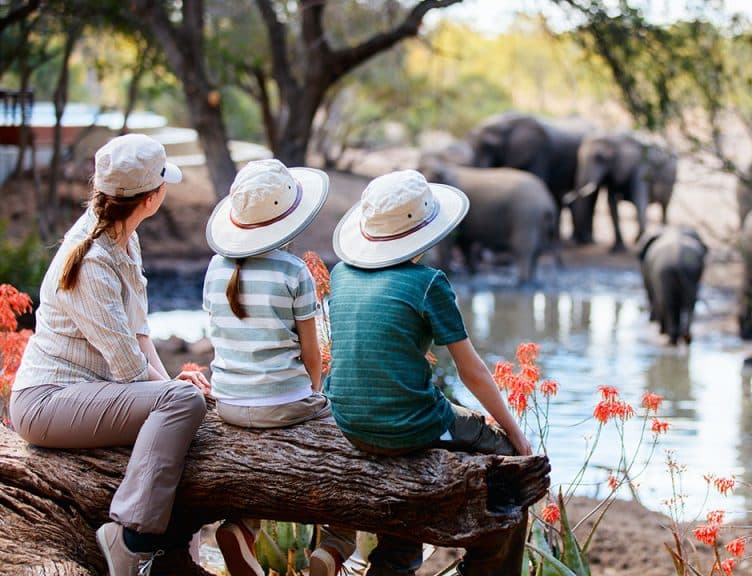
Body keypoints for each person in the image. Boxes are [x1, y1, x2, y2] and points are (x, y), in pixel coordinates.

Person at [8, 134, 210, 575]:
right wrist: (171, 394)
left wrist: (169, 384)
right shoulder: (91, 259)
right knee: (184, 403)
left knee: (181, 402)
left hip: (88, 392)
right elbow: (127, 369)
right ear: (151, 197)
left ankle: (172, 554)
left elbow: (139, 335)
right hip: (46, 401)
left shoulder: (123, 239)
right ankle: (128, 535)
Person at [328, 169, 533, 576]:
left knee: (408, 475)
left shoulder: (340, 274)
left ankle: (394, 564)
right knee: (510, 469)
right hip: (411, 425)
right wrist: (514, 432)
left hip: (348, 421)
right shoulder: (428, 282)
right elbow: (471, 370)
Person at [203, 159, 355, 576]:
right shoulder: (293, 271)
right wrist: (314, 394)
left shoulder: (215, 267)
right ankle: (335, 544)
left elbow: (219, 334)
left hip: (228, 403)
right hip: (285, 403)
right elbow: (310, 351)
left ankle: (242, 526)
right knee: (347, 447)